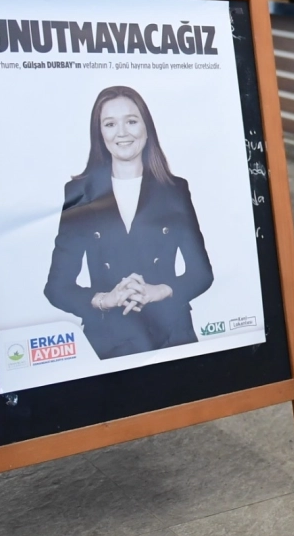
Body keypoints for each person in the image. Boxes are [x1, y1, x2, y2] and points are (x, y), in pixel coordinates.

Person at [44, 86, 214, 360]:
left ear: (147, 128)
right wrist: (105, 299)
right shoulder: (79, 192)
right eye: (110, 124)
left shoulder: (175, 190)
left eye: (131, 121)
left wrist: (158, 291)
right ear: (99, 133)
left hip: (172, 337)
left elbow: (201, 273)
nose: (122, 132)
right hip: (108, 342)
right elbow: (57, 287)